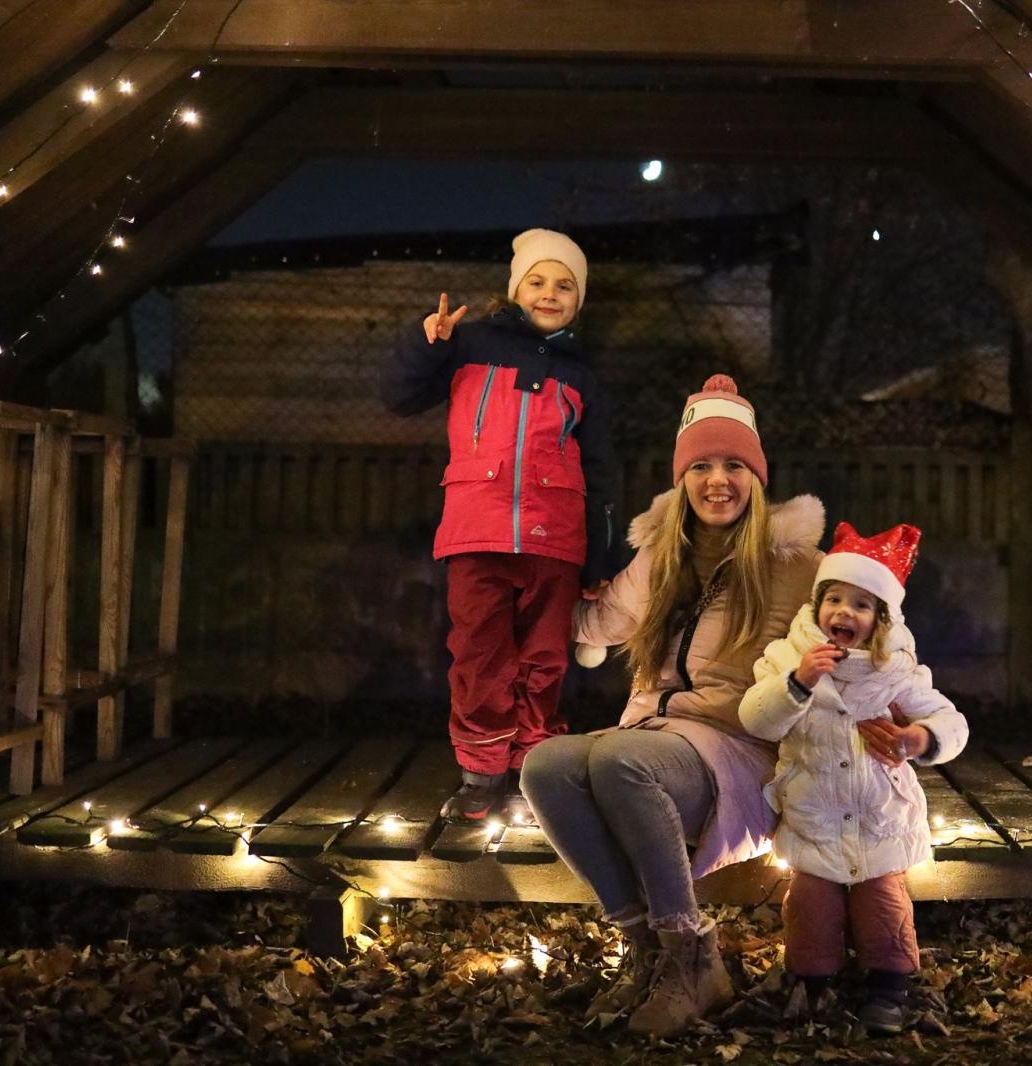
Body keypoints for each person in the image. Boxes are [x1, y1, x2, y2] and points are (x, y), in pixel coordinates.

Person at [521, 375, 823, 1038]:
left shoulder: (797, 564)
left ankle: (691, 955)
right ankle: (643, 947)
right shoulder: (661, 557)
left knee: (620, 759)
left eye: (735, 465)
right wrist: (551, 574)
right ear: (682, 479)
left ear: (757, 478)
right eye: (701, 466)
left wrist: (889, 715)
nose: (718, 481)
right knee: (545, 765)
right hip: (653, 737)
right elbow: (593, 623)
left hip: (739, 755)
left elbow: (865, 628)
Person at [381, 229, 620, 823]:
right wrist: (427, 344)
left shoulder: (582, 375)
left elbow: (600, 469)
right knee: (480, 654)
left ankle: (530, 773)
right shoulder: (469, 344)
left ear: (579, 300)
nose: (549, 293)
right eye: (537, 281)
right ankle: (481, 774)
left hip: (555, 540)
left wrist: (600, 558)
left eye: (564, 285)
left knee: (544, 659)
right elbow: (400, 396)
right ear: (516, 289)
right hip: (477, 532)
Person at [738, 521, 969, 1034]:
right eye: (834, 598)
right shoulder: (786, 657)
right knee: (810, 907)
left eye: (861, 605)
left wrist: (919, 738)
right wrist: (798, 682)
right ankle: (811, 983)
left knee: (883, 904)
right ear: (817, 604)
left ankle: (889, 988)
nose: (844, 611)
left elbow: (952, 722)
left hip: (879, 817)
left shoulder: (895, 669)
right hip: (813, 813)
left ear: (881, 618)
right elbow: (756, 718)